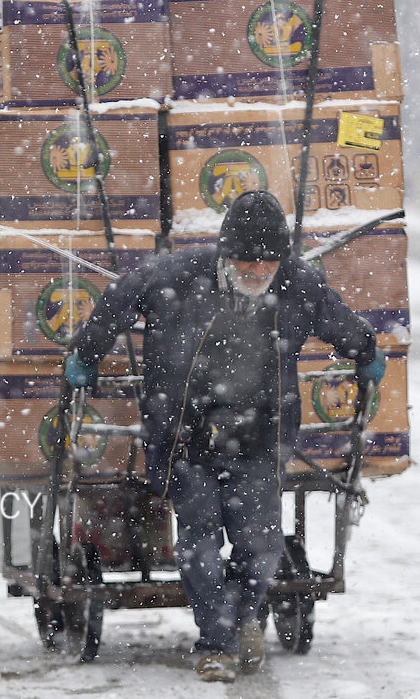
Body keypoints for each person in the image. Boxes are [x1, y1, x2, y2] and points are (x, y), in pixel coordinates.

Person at [65, 191, 384, 682]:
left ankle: (244, 616)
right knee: (200, 540)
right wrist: (86, 354)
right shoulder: (176, 277)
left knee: (260, 544)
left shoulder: (299, 284)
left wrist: (366, 351)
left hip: (260, 433)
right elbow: (117, 301)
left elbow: (340, 321)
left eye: (267, 262)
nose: (257, 271)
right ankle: (217, 644)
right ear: (224, 253)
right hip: (184, 436)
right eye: (245, 261)